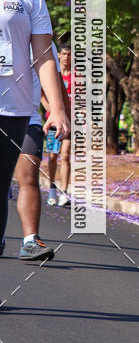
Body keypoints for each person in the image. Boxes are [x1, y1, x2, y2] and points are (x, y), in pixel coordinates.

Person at [0, 0, 70, 258]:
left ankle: (28, 239)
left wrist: (56, 109)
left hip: (19, 110)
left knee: (20, 177)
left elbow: (45, 59)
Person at [13, 42, 69, 261]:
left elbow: (55, 81)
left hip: (29, 119)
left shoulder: (44, 43)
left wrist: (64, 114)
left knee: (28, 177)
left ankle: (30, 240)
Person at [44, 43, 72, 206]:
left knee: (66, 155)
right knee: (53, 155)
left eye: (70, 54)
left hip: (70, 121)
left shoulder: (77, 76)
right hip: (53, 121)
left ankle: (64, 191)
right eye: (64, 54)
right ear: (59, 55)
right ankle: (52, 189)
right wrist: (51, 109)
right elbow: (41, 93)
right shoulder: (52, 73)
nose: (67, 57)